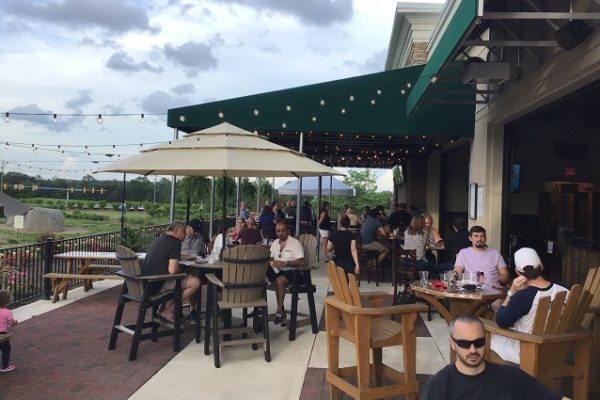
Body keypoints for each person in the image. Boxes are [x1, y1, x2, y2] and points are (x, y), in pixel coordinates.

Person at [422, 314, 569, 400]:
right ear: (452, 344)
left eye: (478, 342)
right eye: (464, 344)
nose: (473, 349)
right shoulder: (438, 386)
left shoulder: (511, 376)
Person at [491, 247, 569, 364]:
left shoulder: (523, 296)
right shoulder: (565, 292)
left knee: (486, 337)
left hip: (525, 352)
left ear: (518, 273)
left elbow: (502, 321)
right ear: (541, 266)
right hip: (556, 353)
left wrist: (511, 292)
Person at [141, 221, 201, 323]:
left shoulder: (159, 239)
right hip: (156, 285)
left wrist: (180, 257)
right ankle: (169, 310)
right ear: (176, 231)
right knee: (195, 282)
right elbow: (172, 270)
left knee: (180, 281)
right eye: (183, 232)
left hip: (143, 284)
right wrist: (182, 271)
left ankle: (161, 309)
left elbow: (164, 256)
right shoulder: (175, 242)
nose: (185, 235)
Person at [267, 222, 305, 326]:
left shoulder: (295, 243)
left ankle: (279, 310)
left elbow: (301, 261)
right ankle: (258, 308)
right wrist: (271, 262)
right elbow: (270, 257)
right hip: (277, 270)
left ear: (288, 231)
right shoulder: (275, 243)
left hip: (293, 272)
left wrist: (285, 262)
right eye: (278, 231)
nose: (280, 233)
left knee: (280, 280)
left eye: (283, 230)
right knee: (261, 273)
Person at [0, 290, 17, 373]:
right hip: (2, 334)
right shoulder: (8, 312)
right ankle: (5, 366)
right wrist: (15, 322)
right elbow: (11, 324)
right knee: (6, 349)